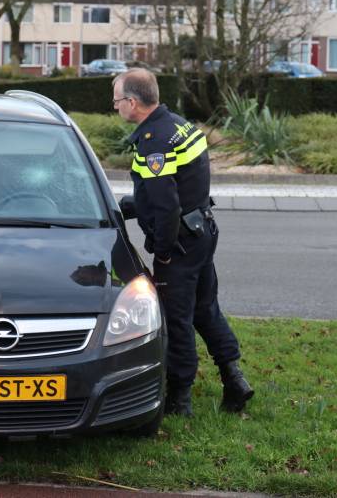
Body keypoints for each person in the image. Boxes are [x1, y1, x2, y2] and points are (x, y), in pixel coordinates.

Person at [112, 68, 253, 416]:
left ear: (132, 101)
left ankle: (180, 399)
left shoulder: (153, 143)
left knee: (177, 318)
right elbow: (180, 187)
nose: (114, 107)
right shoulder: (178, 126)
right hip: (202, 231)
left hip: (180, 243)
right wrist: (129, 206)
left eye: (116, 101)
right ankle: (234, 379)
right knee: (206, 309)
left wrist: (162, 250)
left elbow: (165, 205)